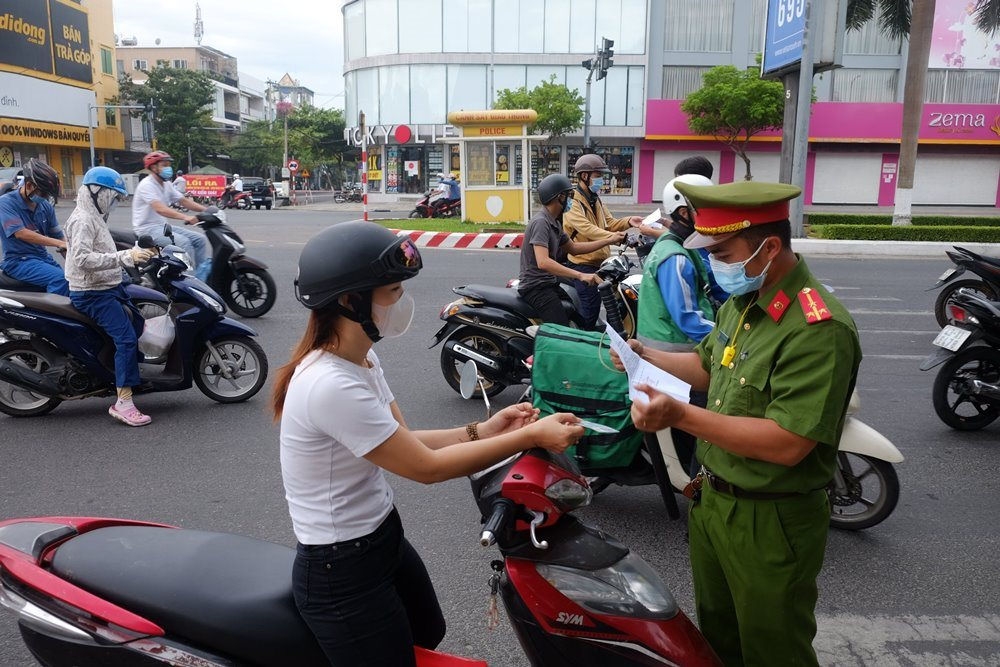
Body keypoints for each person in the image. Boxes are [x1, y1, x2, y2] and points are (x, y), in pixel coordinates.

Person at [273, 221, 584, 666]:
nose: (404, 302)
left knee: (428, 630)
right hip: (339, 569)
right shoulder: (329, 383)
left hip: (381, 536)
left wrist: (489, 428)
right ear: (349, 300)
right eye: (394, 291)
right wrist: (528, 435)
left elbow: (404, 440)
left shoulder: (362, 358)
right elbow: (424, 468)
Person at [619, 181, 862, 666]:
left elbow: (787, 443)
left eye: (723, 252)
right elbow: (707, 368)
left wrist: (681, 415)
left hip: (771, 521)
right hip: (715, 505)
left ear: (770, 247)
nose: (715, 263)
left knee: (773, 649)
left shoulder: (818, 329)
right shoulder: (744, 301)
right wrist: (640, 354)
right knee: (719, 640)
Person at [64, 167, 157, 427]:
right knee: (126, 339)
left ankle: (126, 374)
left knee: (138, 323)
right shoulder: (83, 219)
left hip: (108, 286)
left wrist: (137, 250)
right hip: (92, 293)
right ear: (97, 192)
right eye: (113, 196)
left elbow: (104, 246)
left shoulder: (94, 215)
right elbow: (82, 259)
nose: (114, 202)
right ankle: (123, 403)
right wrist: (124, 257)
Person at [636, 174, 715, 475]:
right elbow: (689, 319)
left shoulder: (681, 245)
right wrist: (728, 335)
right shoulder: (675, 257)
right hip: (676, 356)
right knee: (709, 421)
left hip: (676, 349)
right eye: (704, 208)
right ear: (685, 212)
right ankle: (700, 481)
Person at [518, 174, 626, 326]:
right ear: (559, 197)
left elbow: (574, 248)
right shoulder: (541, 222)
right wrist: (581, 275)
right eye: (569, 196)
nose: (570, 200)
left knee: (576, 318)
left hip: (549, 283)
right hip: (535, 287)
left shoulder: (554, 222)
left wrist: (609, 240)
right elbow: (543, 262)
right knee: (562, 330)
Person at [562, 154, 642, 328]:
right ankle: (582, 344)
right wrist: (613, 238)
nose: (601, 180)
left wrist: (629, 222)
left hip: (600, 264)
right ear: (585, 176)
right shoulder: (572, 201)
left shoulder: (595, 199)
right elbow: (587, 229)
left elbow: (610, 224)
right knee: (590, 312)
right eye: (598, 176)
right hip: (582, 264)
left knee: (615, 306)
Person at [132, 151, 211, 281]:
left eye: (169, 165)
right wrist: (185, 217)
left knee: (199, 239)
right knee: (185, 243)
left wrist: (207, 210)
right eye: (164, 165)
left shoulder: (166, 184)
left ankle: (202, 279)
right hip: (147, 230)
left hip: (161, 227)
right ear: (153, 167)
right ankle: (190, 284)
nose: (168, 168)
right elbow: (160, 209)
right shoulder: (147, 185)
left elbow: (183, 201)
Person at [0, 158, 69, 295]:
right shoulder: (6, 203)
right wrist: (59, 243)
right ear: (29, 185)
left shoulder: (45, 207)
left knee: (72, 280)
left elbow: (60, 238)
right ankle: (49, 315)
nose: (45, 197)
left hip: (42, 258)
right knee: (60, 280)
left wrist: (74, 261)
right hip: (18, 261)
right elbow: (21, 233)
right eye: (43, 193)